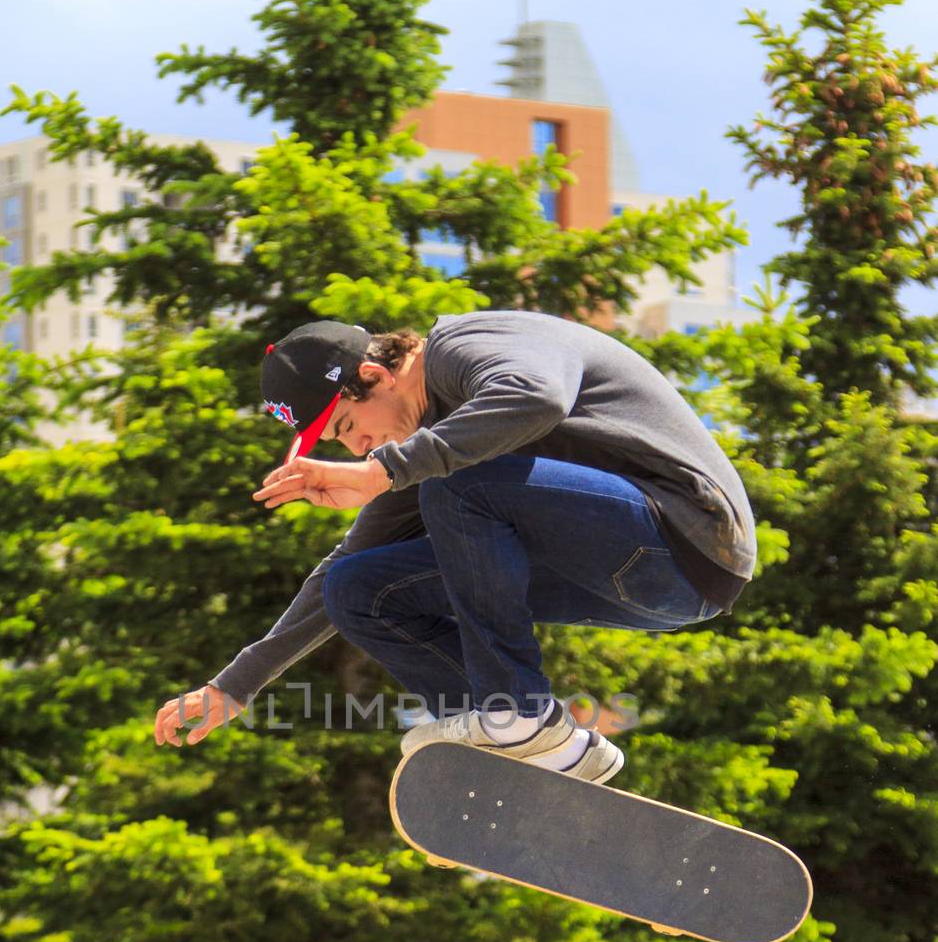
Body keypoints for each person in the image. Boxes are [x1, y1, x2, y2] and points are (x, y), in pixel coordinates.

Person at [155, 311, 756, 779]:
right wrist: (235, 684)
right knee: (359, 587)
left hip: (685, 540)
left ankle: (516, 715)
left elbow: (538, 397)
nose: (360, 449)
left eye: (346, 428)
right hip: (624, 579)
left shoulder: (469, 347)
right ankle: (544, 752)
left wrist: (382, 472)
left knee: (456, 485)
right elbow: (342, 562)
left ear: (374, 375)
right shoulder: (423, 450)